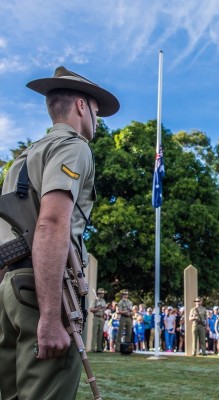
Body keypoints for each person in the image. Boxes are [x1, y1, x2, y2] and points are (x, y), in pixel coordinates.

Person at [0, 65, 119, 399]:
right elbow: (52, 223)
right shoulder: (73, 147)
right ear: (82, 106)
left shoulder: (24, 157)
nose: (97, 118)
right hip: (45, 289)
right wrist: (52, 317)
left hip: (10, 286)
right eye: (97, 110)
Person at [89, 288, 108, 352]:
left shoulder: (103, 301)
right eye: (101, 293)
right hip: (96, 317)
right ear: (98, 294)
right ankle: (93, 348)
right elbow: (91, 309)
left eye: (103, 293)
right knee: (94, 333)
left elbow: (104, 309)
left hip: (102, 318)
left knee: (100, 334)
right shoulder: (95, 301)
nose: (102, 294)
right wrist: (98, 307)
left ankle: (99, 348)